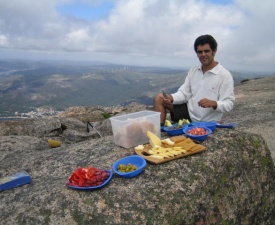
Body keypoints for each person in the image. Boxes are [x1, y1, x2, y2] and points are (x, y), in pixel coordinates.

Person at [154, 34, 235, 125]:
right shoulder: (194, 70)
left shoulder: (224, 75)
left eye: (206, 51)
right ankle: (159, 131)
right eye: (200, 52)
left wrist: (214, 103)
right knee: (159, 98)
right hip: (189, 113)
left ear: (214, 51)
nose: (203, 54)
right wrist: (171, 98)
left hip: (207, 121)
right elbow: (185, 93)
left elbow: (229, 103)